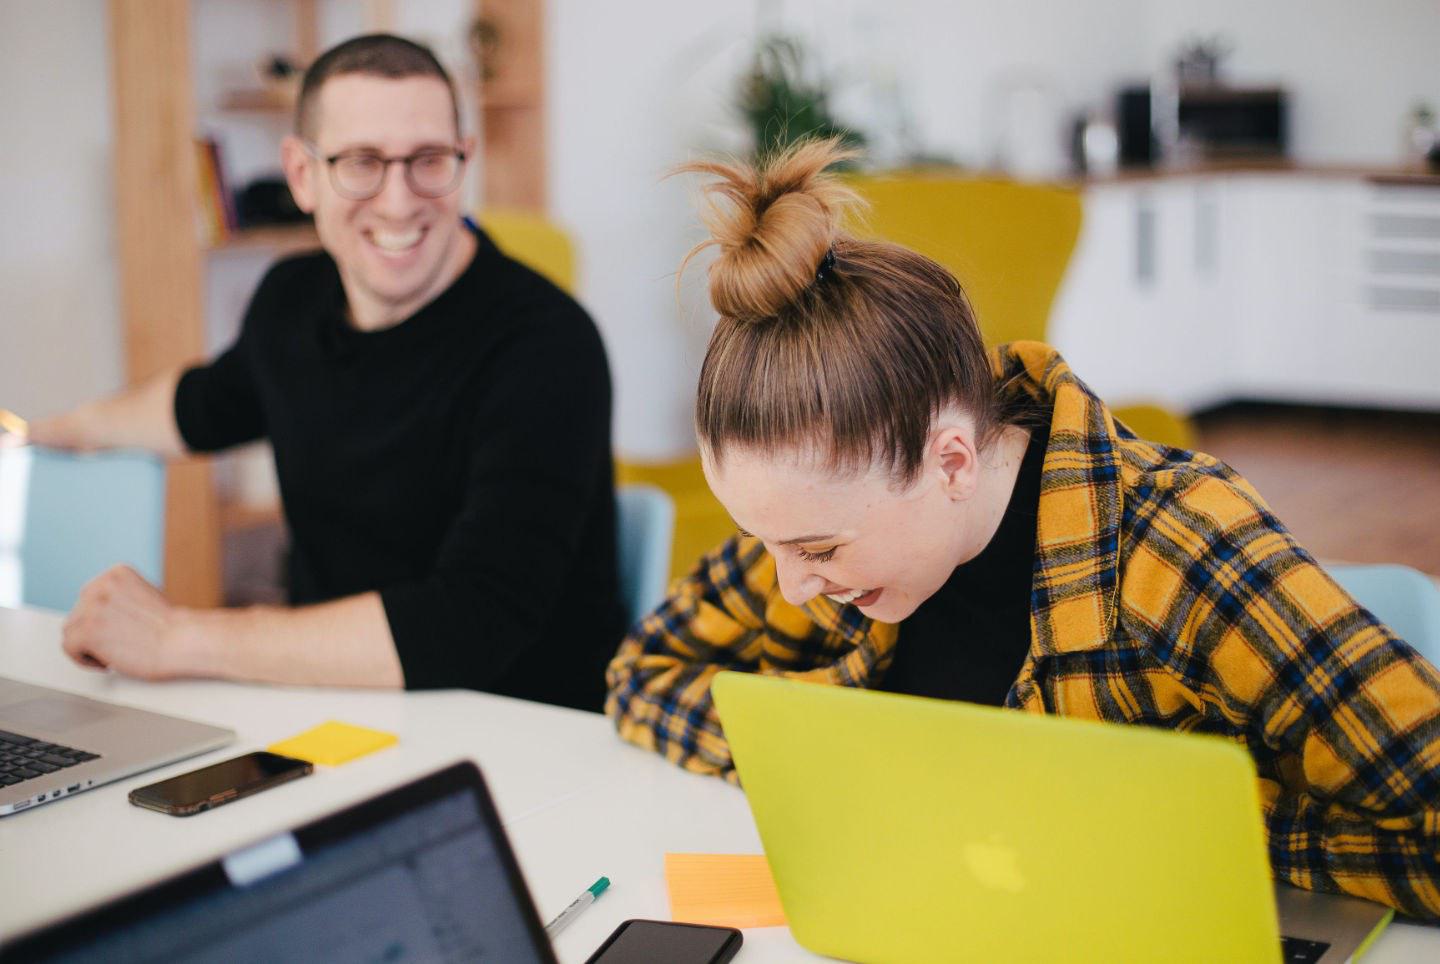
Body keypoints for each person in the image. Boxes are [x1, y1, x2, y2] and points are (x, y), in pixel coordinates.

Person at [605, 138, 1440, 918]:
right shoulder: (824, 527)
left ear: (954, 461)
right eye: (768, 544)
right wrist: (843, 757)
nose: (792, 583)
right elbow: (644, 673)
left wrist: (1196, 823)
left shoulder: (1181, 548)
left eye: (817, 549)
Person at [30, 35, 624, 711]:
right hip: (329, 710)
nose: (399, 202)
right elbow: (201, 405)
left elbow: (471, 622)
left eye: (428, 160)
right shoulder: (292, 300)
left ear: (465, 160)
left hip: (520, 737)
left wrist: (177, 637)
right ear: (302, 174)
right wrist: (54, 429)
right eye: (361, 163)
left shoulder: (547, 344)